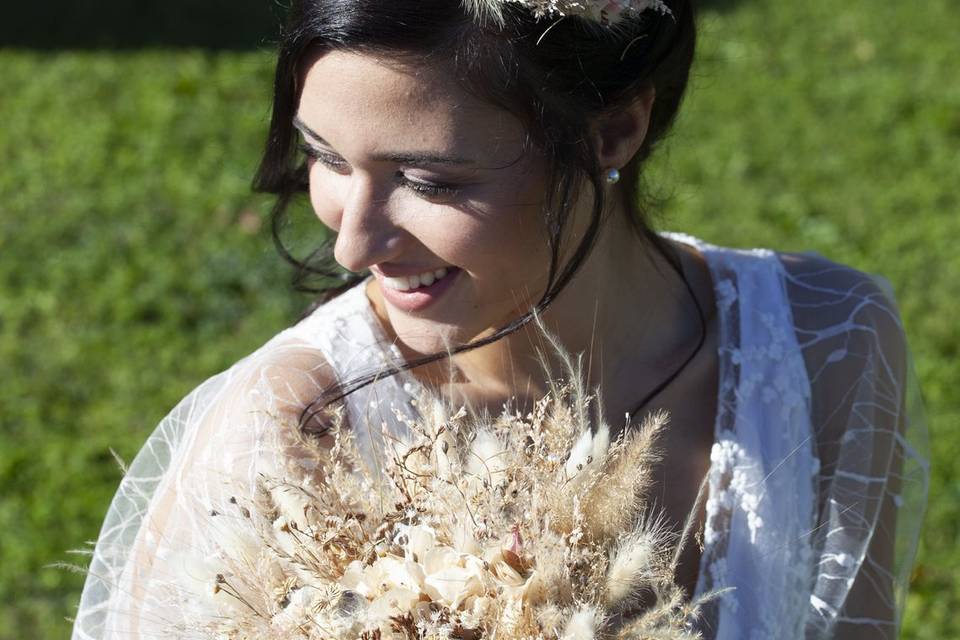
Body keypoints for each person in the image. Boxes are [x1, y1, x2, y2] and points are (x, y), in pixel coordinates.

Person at [72, 1, 929, 638]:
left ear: (615, 130)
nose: (352, 244)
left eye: (433, 180)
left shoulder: (825, 343)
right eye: (326, 158)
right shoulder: (291, 431)